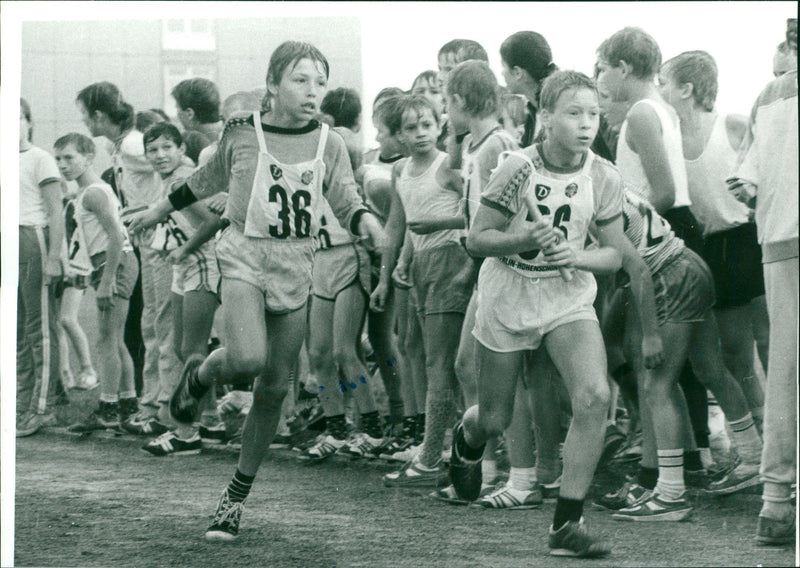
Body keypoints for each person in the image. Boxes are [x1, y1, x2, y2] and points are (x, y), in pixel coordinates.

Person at [125, 40, 385, 541]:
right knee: (246, 360)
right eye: (300, 80)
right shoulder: (242, 131)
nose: (313, 91)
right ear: (272, 85)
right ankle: (199, 376)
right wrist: (158, 209)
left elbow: (346, 196)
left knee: (272, 387)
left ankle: (234, 497)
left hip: (297, 263)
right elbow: (203, 179)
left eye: (320, 82)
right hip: (244, 254)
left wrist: (367, 221)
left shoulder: (329, 142)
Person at [450, 70, 625, 558]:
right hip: (508, 293)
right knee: (496, 415)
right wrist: (523, 239)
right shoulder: (515, 169)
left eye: (593, 113)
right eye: (573, 113)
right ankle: (467, 436)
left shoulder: (604, 175)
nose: (586, 124)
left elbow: (613, 255)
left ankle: (567, 525)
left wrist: (576, 256)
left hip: (566, 297)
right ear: (545, 118)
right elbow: (478, 239)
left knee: (593, 396)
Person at [596, 27, 712, 478]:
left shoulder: (642, 114)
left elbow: (661, 191)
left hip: (658, 234)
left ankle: (658, 469)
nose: (603, 77)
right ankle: (675, 455)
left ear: (624, 67)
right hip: (668, 230)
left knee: (648, 358)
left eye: (605, 67)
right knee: (642, 354)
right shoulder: (659, 109)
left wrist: (619, 225)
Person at [659, 50, 768, 429]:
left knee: (760, 346)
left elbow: (772, 175)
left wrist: (754, 196)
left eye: (664, 83)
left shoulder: (732, 126)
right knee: (734, 354)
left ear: (686, 89)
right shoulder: (668, 139)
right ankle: (762, 436)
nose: (659, 91)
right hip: (708, 248)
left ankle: (779, 435)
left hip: (746, 240)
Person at [431, 60, 522, 505]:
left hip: (497, 267)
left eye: (448, 104)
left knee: (478, 367)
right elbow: (446, 178)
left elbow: (497, 217)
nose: (446, 113)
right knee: (468, 366)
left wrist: (470, 267)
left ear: (461, 101)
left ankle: (489, 466)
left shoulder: (494, 147)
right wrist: (453, 141)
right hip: (486, 266)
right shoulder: (478, 144)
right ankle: (480, 466)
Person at [373, 95, 471, 487]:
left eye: (426, 125)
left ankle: (431, 457)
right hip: (419, 268)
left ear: (439, 125)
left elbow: (477, 212)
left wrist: (435, 227)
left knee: (440, 363)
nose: (419, 134)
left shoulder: (448, 166)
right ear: (397, 135)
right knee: (435, 361)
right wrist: (389, 273)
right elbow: (399, 225)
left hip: (451, 261)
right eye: (410, 128)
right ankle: (447, 451)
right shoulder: (399, 170)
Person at [730, 17, 798, 545]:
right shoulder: (771, 96)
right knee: (785, 367)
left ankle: (776, 503)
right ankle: (775, 500)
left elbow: (745, 180)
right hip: (783, 241)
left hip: (780, 238)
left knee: (785, 369)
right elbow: (746, 178)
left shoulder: (770, 96)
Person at [75, 82, 172, 430]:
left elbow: (173, 169)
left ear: (100, 115)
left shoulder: (132, 143)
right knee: (149, 327)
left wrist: (152, 209)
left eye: (86, 115)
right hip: (145, 239)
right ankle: (144, 404)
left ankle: (158, 408)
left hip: (158, 238)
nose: (86, 122)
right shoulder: (122, 145)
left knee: (157, 327)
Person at [137, 122, 224, 456]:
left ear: (181, 149)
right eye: (153, 149)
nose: (159, 155)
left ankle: (187, 433)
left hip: (201, 262)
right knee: (180, 346)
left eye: (166, 148)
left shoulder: (180, 179)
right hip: (183, 265)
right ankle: (212, 420)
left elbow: (211, 222)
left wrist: (185, 249)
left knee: (192, 347)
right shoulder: (169, 180)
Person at [55, 134, 139, 433]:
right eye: (59, 159)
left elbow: (117, 236)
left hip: (114, 265)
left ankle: (108, 409)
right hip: (107, 265)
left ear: (89, 158)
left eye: (69, 157)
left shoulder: (93, 193)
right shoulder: (84, 194)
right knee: (114, 340)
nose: (63, 165)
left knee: (106, 340)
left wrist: (107, 281)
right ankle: (127, 407)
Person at [16, 98, 67, 438]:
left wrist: (52, 257)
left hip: (33, 240)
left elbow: (56, 211)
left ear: (29, 122)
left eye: (16, 118)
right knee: (17, 330)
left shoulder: (40, 158)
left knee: (40, 329)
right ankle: (21, 404)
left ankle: (42, 406)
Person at [58, 184, 99, 392]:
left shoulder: (71, 206)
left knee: (67, 319)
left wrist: (72, 267)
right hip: (56, 267)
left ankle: (88, 370)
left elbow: (75, 239)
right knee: (57, 324)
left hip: (75, 267)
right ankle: (64, 375)